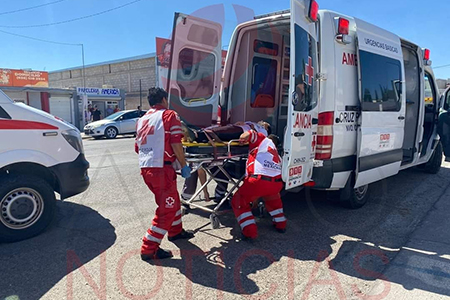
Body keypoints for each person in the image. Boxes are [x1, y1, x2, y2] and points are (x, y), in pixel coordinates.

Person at [135, 87, 195, 261]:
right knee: (167, 208)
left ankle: (175, 232)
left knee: (171, 200)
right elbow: (177, 142)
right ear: (163, 99)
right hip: (162, 169)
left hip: (147, 168)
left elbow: (137, 147)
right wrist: (183, 165)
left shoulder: (142, 119)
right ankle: (149, 247)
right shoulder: (169, 115)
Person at [231, 130, 286, 240]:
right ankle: (281, 224)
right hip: (276, 184)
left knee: (238, 200)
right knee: (273, 201)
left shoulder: (263, 140)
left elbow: (249, 134)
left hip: (258, 181)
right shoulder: (276, 154)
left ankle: (249, 231)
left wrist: (242, 138)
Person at [184, 121, 271, 143]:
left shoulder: (264, 131)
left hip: (242, 132)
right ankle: (197, 134)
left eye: (265, 123)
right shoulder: (255, 123)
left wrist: (252, 128)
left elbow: (258, 137)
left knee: (219, 132)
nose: (262, 121)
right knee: (219, 130)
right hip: (239, 128)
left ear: (267, 127)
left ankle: (197, 135)